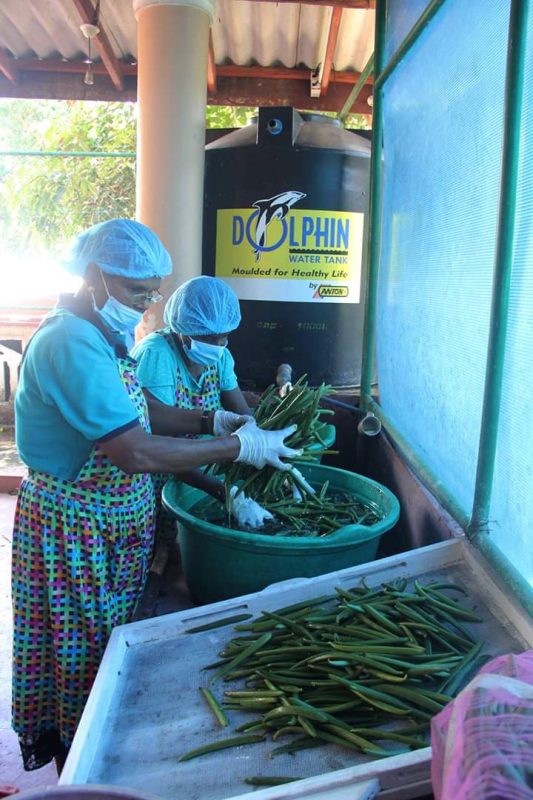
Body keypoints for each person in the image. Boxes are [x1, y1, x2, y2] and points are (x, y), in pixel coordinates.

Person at [11, 218, 300, 773]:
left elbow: (144, 411)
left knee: (110, 639)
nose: (145, 304)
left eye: (152, 292)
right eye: (136, 291)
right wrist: (234, 451)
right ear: (95, 276)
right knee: (82, 651)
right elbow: (136, 450)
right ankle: (80, 763)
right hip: (77, 529)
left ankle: (94, 746)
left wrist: (212, 416)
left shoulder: (98, 331)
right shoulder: (69, 342)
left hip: (116, 522)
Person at [132, 276, 272, 530]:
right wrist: (227, 493)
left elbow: (243, 415)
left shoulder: (220, 357)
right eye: (209, 338)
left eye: (224, 337)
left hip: (202, 469)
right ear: (184, 330)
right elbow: (160, 442)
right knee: (162, 544)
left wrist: (265, 452)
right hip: (158, 477)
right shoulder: (157, 354)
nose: (218, 346)